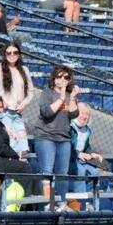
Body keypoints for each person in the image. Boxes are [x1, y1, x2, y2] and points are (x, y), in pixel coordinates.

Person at [33, 65, 80, 209]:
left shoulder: (69, 95)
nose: (62, 80)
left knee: (62, 173)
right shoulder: (47, 93)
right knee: (47, 171)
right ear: (54, 78)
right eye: (59, 76)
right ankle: (47, 203)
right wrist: (61, 97)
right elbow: (47, 112)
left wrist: (71, 97)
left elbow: (74, 114)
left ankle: (61, 202)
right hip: (46, 136)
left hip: (64, 138)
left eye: (66, 77)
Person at [0, 41, 33, 156]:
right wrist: (0, 102)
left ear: (19, 54)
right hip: (3, 113)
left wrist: (24, 104)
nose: (12, 55)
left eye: (15, 52)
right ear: (5, 54)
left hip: (17, 113)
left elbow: (31, 91)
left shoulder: (24, 70)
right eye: (9, 53)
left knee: (23, 147)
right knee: (11, 143)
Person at [69, 103, 106, 195]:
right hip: (69, 159)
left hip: (80, 161)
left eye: (87, 114)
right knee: (80, 171)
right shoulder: (69, 126)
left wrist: (92, 153)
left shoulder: (86, 130)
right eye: (82, 113)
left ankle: (90, 199)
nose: (84, 116)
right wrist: (78, 154)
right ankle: (79, 200)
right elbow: (66, 145)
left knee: (94, 173)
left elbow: (86, 147)